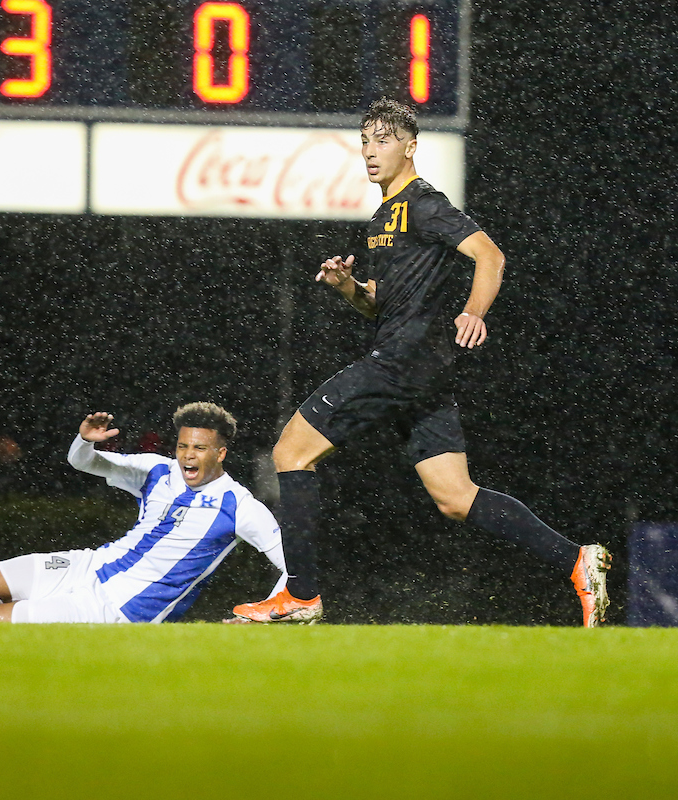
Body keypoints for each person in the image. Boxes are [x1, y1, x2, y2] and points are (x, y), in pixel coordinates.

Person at [232, 98, 611, 627]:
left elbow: (490, 256)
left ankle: (300, 596)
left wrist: (473, 311)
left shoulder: (423, 202)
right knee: (457, 498)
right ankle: (578, 559)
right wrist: (349, 288)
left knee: (291, 451)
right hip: (421, 370)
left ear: (410, 147)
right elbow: (379, 306)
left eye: (382, 140)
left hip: (401, 363)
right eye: (364, 140)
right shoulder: (384, 216)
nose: (369, 151)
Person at [0, 403, 289, 623]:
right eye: (182, 446)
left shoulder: (239, 505)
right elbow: (84, 462)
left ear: (221, 454)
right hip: (90, 566)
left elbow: (293, 567)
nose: (187, 456)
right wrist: (84, 441)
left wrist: (264, 613)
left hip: (118, 607)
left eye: (199, 449)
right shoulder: (157, 471)